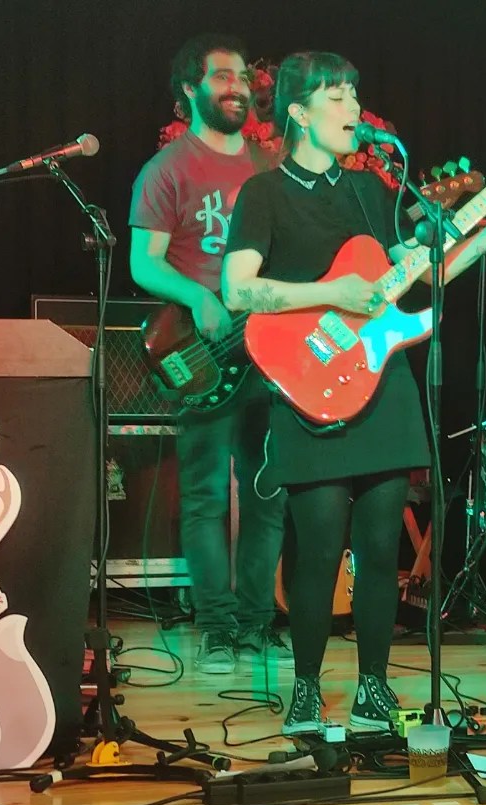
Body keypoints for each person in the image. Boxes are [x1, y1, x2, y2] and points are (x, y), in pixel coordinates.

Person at [222, 51, 486, 734]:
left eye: (354, 94)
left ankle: (373, 685)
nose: (353, 108)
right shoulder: (264, 194)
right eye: (336, 96)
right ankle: (307, 688)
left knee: (382, 547)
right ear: (299, 112)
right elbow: (238, 289)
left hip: (382, 385)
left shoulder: (371, 190)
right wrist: (332, 292)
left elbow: (424, 273)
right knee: (318, 546)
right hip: (306, 384)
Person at [130, 33, 288, 675]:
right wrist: (199, 297)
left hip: (269, 354)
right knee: (204, 498)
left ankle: (257, 624)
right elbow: (144, 263)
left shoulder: (271, 167)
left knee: (268, 493)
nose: (236, 87)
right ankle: (216, 628)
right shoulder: (168, 170)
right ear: (189, 89)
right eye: (222, 77)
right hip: (204, 354)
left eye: (242, 78)